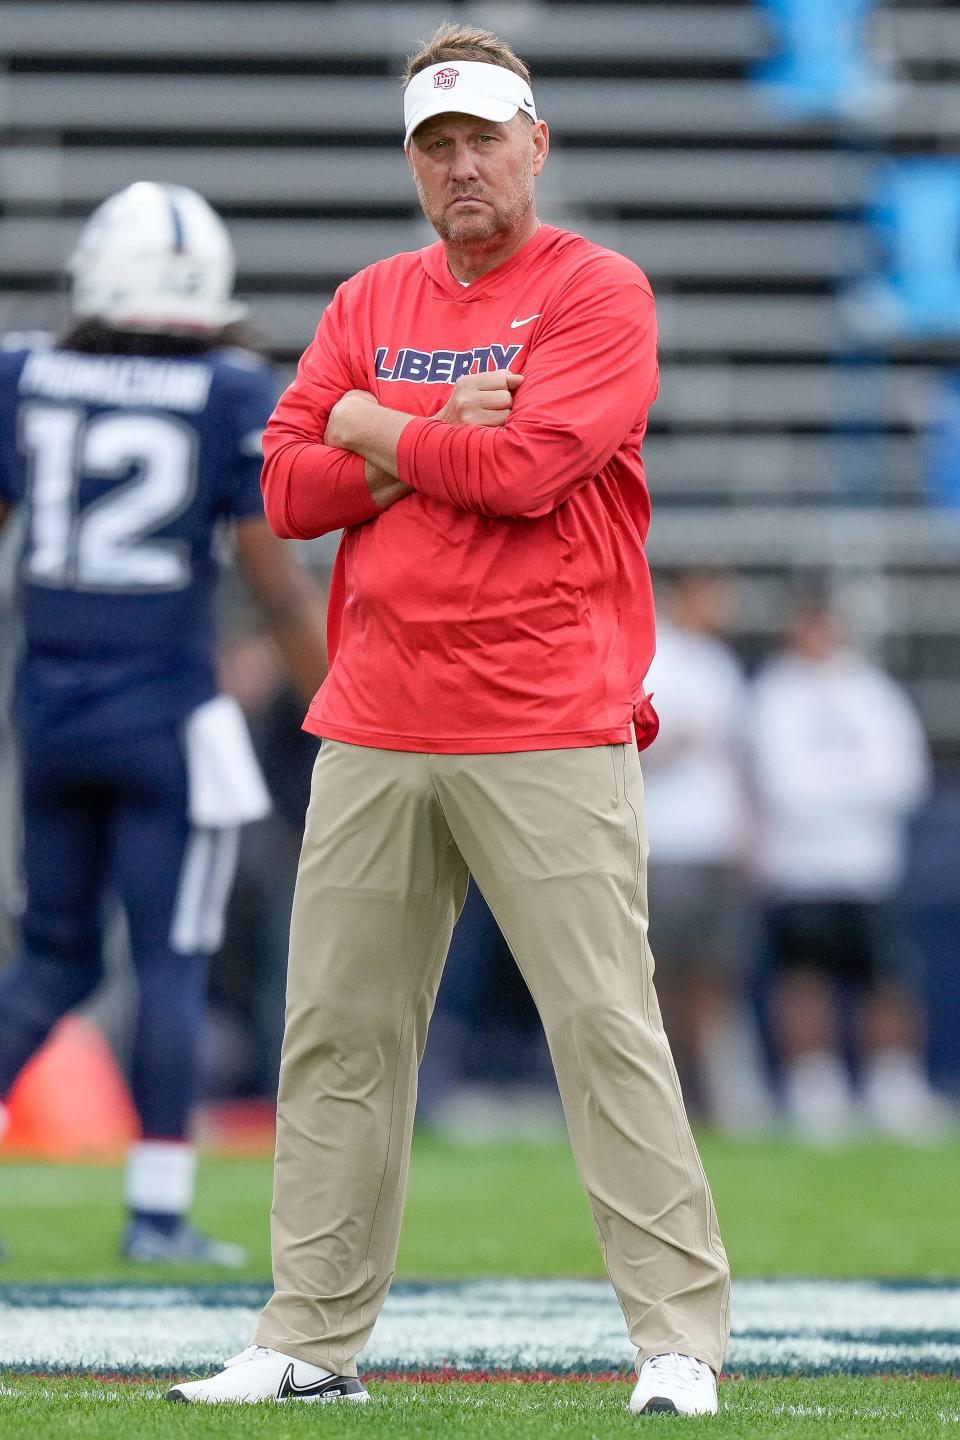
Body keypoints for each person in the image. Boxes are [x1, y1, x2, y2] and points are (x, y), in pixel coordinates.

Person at [169, 23, 729, 1415]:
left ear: (536, 144)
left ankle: (678, 1342)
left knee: (604, 1026)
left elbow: (533, 468)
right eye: (437, 144)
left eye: (484, 138)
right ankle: (307, 1338)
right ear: (413, 164)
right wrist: (398, 437)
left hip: (545, 711)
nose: (462, 165)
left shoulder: (598, 291)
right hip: (375, 712)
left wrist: (365, 426)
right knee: (337, 1034)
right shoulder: (372, 297)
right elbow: (285, 490)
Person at [0, 182, 328, 1263]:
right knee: (171, 957)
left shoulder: (22, 374)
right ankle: (154, 1212)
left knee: (53, 958)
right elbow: (272, 579)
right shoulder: (229, 390)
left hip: (48, 713)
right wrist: (335, 706)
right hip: (167, 721)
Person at [750, 598, 948, 1144]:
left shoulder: (871, 691)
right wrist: (851, 788)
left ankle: (892, 1084)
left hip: (869, 866)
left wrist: (835, 789)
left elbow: (904, 776)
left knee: (887, 980)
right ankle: (815, 1088)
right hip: (802, 868)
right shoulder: (776, 694)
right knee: (804, 979)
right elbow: (784, 786)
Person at [643, 570, 772, 1133]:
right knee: (659, 974)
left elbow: (738, 759)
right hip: (664, 840)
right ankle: (662, 1093)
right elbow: (630, 744)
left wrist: (751, 832)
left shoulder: (720, 666)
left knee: (714, 973)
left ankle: (704, 1087)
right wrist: (673, 745)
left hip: (716, 842)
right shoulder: (652, 655)